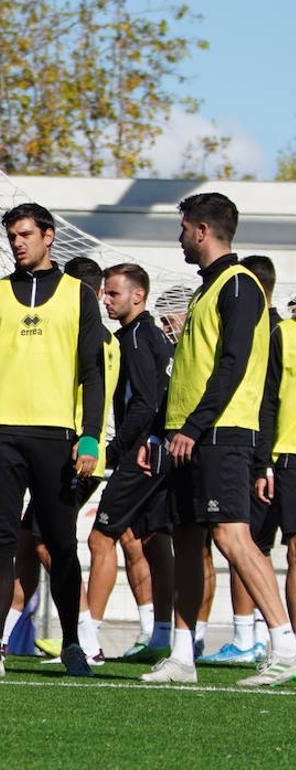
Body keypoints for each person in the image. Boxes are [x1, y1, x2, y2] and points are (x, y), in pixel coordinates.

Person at [138, 192, 296, 686]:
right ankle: (182, 657)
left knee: (232, 536)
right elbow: (188, 372)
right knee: (187, 540)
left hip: (222, 436)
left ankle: (284, 645)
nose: (179, 237)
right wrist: (157, 432)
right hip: (188, 438)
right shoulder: (203, 291)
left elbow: (231, 366)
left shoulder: (239, 285)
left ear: (202, 230)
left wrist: (193, 427)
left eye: (183, 228)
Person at [0, 203, 105, 678]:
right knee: (0, 541)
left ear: (49, 236)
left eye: (24, 234)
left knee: (60, 544)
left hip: (56, 437)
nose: (17, 243)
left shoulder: (80, 295)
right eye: (12, 236)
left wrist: (90, 438)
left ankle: (74, 645)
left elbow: (93, 372)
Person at [199, 254, 283, 664]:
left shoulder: (266, 323)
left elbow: (265, 394)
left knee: (236, 538)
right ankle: (245, 639)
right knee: (241, 541)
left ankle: (278, 642)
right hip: (253, 445)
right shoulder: (259, 318)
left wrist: (262, 460)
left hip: (243, 440)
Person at [91, 263, 175, 663]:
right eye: (105, 294)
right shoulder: (143, 335)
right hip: (155, 452)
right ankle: (160, 636)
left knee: (100, 537)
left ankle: (86, 638)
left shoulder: (140, 338)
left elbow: (146, 401)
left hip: (140, 454)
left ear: (138, 296)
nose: (106, 300)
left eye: (113, 294)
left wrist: (115, 448)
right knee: (152, 543)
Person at [255, 301, 296, 642]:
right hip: (289, 456)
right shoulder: (284, 334)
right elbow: (267, 401)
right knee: (295, 551)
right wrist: (264, 460)